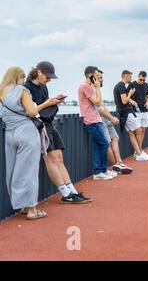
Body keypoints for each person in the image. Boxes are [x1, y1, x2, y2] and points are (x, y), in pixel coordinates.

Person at [25, 61, 91, 203]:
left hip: (49, 123)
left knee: (59, 157)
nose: (48, 80)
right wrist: (49, 103)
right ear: (39, 72)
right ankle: (65, 194)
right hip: (38, 126)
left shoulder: (43, 88)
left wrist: (54, 101)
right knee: (51, 158)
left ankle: (72, 191)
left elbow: (43, 106)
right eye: (47, 77)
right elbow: (30, 111)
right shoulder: (26, 88)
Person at [0, 67, 46, 220]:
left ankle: (22, 206)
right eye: (23, 77)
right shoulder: (22, 90)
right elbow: (32, 112)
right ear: (18, 77)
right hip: (26, 132)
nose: (24, 81)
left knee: (13, 171)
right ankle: (32, 209)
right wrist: (46, 104)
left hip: (9, 134)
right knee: (29, 171)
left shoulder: (2, 91)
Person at [78, 66, 116, 180]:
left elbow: (98, 104)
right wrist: (98, 87)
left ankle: (101, 171)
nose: (98, 77)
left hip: (96, 119)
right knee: (104, 144)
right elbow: (97, 102)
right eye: (96, 75)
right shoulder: (85, 86)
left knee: (98, 146)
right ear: (90, 75)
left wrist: (96, 87)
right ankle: (100, 171)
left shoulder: (90, 86)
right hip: (91, 120)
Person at [97, 70, 133, 174]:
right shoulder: (93, 90)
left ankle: (119, 162)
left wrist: (110, 116)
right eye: (100, 78)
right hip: (100, 119)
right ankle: (115, 166)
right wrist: (111, 118)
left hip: (106, 117)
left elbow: (102, 106)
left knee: (115, 138)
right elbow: (98, 108)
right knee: (106, 143)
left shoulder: (98, 90)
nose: (102, 79)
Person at [113, 70, 148, 161]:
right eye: (130, 76)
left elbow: (124, 100)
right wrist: (130, 94)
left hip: (126, 112)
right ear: (125, 76)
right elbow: (124, 101)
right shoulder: (121, 86)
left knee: (134, 132)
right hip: (126, 112)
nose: (131, 78)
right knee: (137, 131)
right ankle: (139, 153)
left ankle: (139, 152)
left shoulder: (121, 86)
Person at [129, 71, 148, 153]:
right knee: (138, 131)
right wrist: (131, 101)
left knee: (143, 130)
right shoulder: (132, 84)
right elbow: (127, 97)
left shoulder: (146, 85)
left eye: (144, 80)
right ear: (138, 76)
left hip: (145, 111)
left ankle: (139, 149)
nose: (142, 81)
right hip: (136, 111)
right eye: (141, 79)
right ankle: (139, 150)